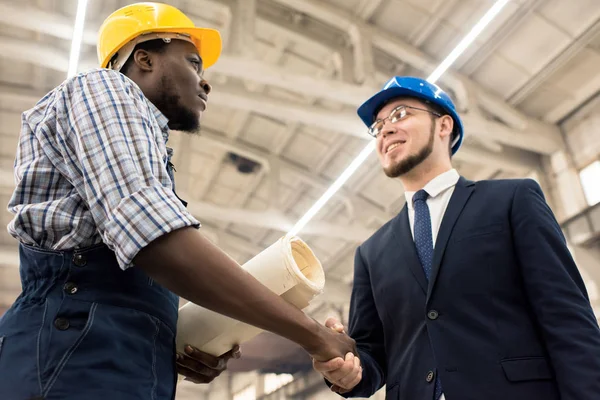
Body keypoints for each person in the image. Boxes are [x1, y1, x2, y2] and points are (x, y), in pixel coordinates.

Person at [0, 3, 355, 399]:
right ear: (144, 58)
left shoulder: (146, 148)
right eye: (193, 63)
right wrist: (314, 335)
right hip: (71, 361)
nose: (205, 83)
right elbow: (157, 241)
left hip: (114, 364)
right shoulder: (103, 88)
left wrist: (177, 340)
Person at [313, 76, 600, 400]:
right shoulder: (371, 253)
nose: (385, 131)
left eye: (400, 114)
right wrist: (345, 369)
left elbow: (568, 321)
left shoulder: (512, 200)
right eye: (377, 127)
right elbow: (374, 360)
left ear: (444, 125)